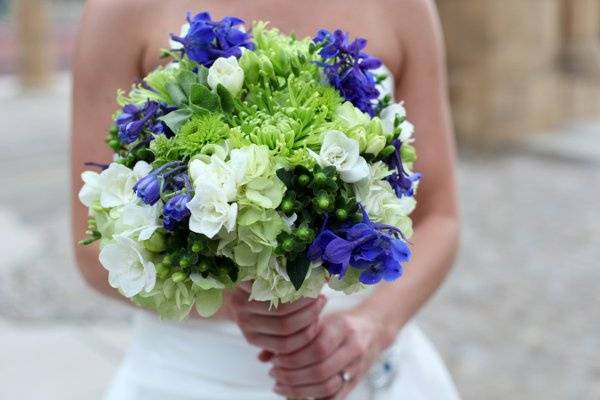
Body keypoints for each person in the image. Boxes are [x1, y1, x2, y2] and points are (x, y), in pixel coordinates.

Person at [71, 0, 460, 399]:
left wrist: (371, 327)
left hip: (362, 366)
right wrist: (240, 303)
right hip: (193, 376)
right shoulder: (120, 10)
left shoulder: (405, 8)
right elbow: (93, 246)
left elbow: (440, 217)